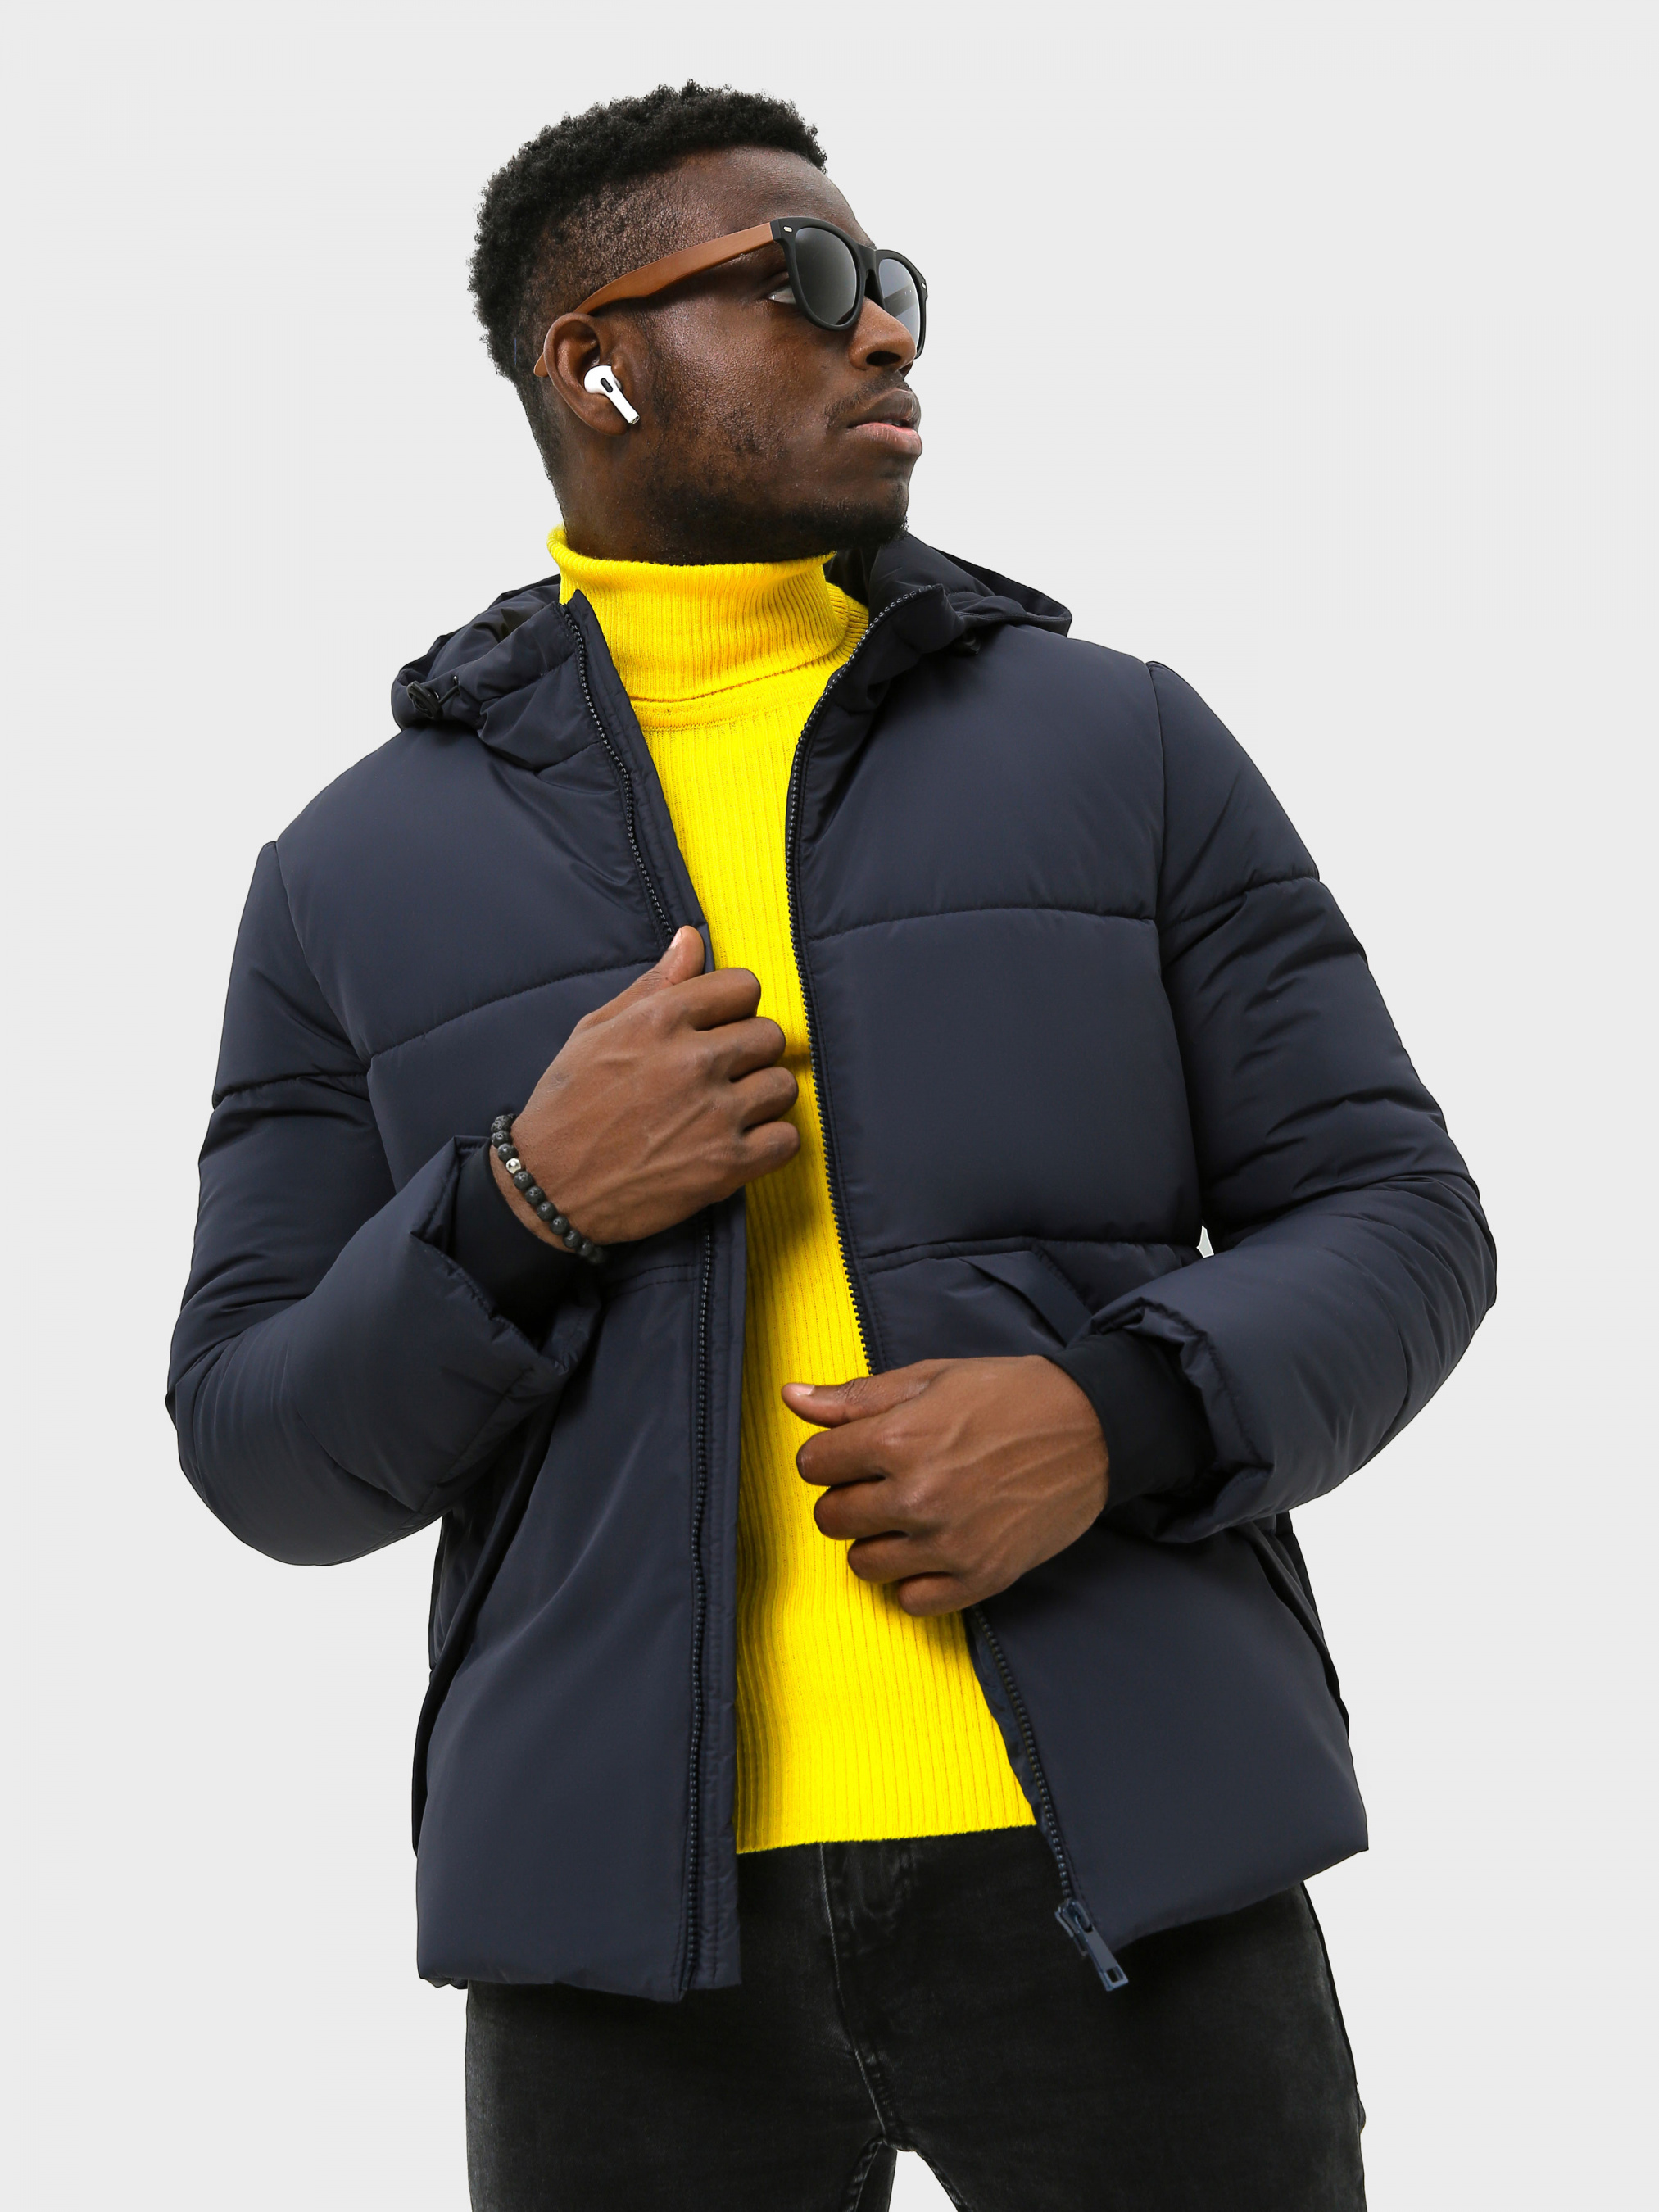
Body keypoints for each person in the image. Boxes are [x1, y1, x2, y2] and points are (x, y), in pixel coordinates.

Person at [169, 81, 1494, 2212]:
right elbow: (259, 1448)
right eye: (799, 280)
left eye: (887, 282)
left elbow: (1398, 1213)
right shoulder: (346, 870)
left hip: (1128, 1867)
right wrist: (520, 1203)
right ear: (595, 364)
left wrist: (1114, 1413)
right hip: (622, 1949)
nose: (881, 328)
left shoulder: (1121, 743)